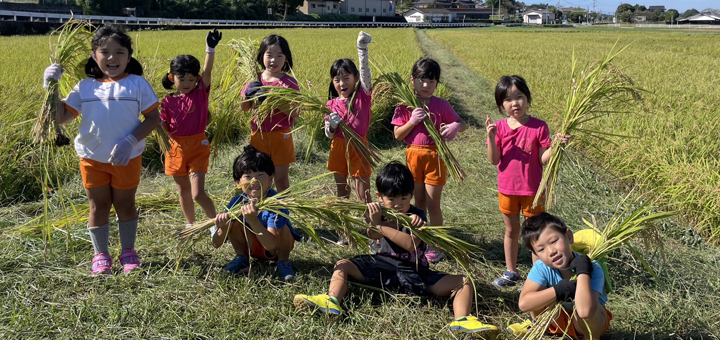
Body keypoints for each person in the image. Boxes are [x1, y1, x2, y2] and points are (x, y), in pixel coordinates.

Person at [293, 161, 498, 338]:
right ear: (380, 197)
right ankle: (331, 300)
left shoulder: (417, 216)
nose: (399, 205)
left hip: (414, 270)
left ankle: (462, 320)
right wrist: (374, 222)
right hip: (381, 267)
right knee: (342, 265)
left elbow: (410, 244)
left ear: (411, 195)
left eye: (404, 198)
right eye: (392, 199)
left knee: (463, 281)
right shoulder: (378, 213)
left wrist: (383, 226)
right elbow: (372, 235)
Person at [43, 24, 160, 275]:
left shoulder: (138, 84)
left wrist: (130, 142)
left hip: (127, 158)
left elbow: (153, 118)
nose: (112, 58)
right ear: (94, 56)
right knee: (98, 205)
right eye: (104, 51)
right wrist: (51, 87)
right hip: (91, 158)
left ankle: (128, 251)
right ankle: (101, 255)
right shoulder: (85, 87)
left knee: (125, 204)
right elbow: (61, 117)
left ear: (129, 57)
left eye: (119, 52)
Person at [485, 75, 569, 288]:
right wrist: (492, 137)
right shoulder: (499, 127)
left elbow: (542, 159)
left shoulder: (539, 127)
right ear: (501, 104)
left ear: (528, 98)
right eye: (508, 99)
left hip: (533, 190)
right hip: (507, 189)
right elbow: (494, 160)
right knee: (511, 231)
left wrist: (557, 146)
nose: (515, 103)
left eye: (519, 97)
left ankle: (536, 276)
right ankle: (511, 271)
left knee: (536, 236)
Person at [391, 57, 467, 262]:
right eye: (422, 80)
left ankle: (437, 243)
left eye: (432, 82)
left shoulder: (441, 105)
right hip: (413, 157)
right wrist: (412, 121)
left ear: (437, 84)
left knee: (434, 204)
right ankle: (419, 240)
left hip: (436, 157)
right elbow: (398, 135)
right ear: (412, 79)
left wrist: (455, 126)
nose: (426, 85)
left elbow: (462, 122)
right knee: (418, 204)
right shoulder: (405, 104)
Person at [508, 212, 612, 338]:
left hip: (588, 325)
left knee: (583, 311)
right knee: (536, 298)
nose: (551, 251)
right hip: (557, 321)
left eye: (554, 241)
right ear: (535, 254)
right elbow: (524, 304)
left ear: (568, 236)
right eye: (541, 250)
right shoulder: (542, 267)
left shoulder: (592, 267)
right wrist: (557, 291)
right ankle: (544, 328)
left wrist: (583, 272)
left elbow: (585, 312)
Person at [160, 29, 222, 229]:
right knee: (183, 191)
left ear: (197, 79)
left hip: (198, 145)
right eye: (181, 79)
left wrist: (210, 48)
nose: (187, 83)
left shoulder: (200, 93)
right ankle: (191, 224)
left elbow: (208, 70)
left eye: (191, 79)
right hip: (175, 148)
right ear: (172, 78)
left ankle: (216, 224)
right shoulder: (167, 102)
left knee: (197, 193)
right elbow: (164, 126)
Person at [212, 145, 301, 282]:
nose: (254, 181)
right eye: (248, 176)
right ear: (237, 182)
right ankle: (242, 258)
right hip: (252, 245)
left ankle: (283, 262)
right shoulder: (236, 203)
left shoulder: (277, 203)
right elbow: (216, 244)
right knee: (234, 224)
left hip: (275, 248)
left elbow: (271, 245)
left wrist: (253, 220)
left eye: (260, 175)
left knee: (283, 229)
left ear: (271, 179)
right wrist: (223, 227)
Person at [324, 31, 373, 245]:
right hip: (338, 148)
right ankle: (344, 233)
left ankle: (373, 235)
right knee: (341, 193)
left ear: (354, 79)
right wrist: (332, 125)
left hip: (358, 147)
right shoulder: (331, 104)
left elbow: (366, 74)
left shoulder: (362, 95)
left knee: (363, 195)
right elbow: (328, 134)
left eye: (346, 78)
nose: (341, 83)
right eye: (337, 79)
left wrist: (361, 50)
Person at [241, 34, 298, 193]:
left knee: (281, 179)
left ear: (286, 59)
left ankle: (284, 213)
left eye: (279, 56)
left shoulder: (289, 83)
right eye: (269, 55)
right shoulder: (254, 80)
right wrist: (249, 94)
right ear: (261, 57)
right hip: (258, 135)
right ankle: (259, 212)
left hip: (281, 135)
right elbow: (245, 108)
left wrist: (274, 98)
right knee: (258, 180)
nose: (274, 60)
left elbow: (295, 113)